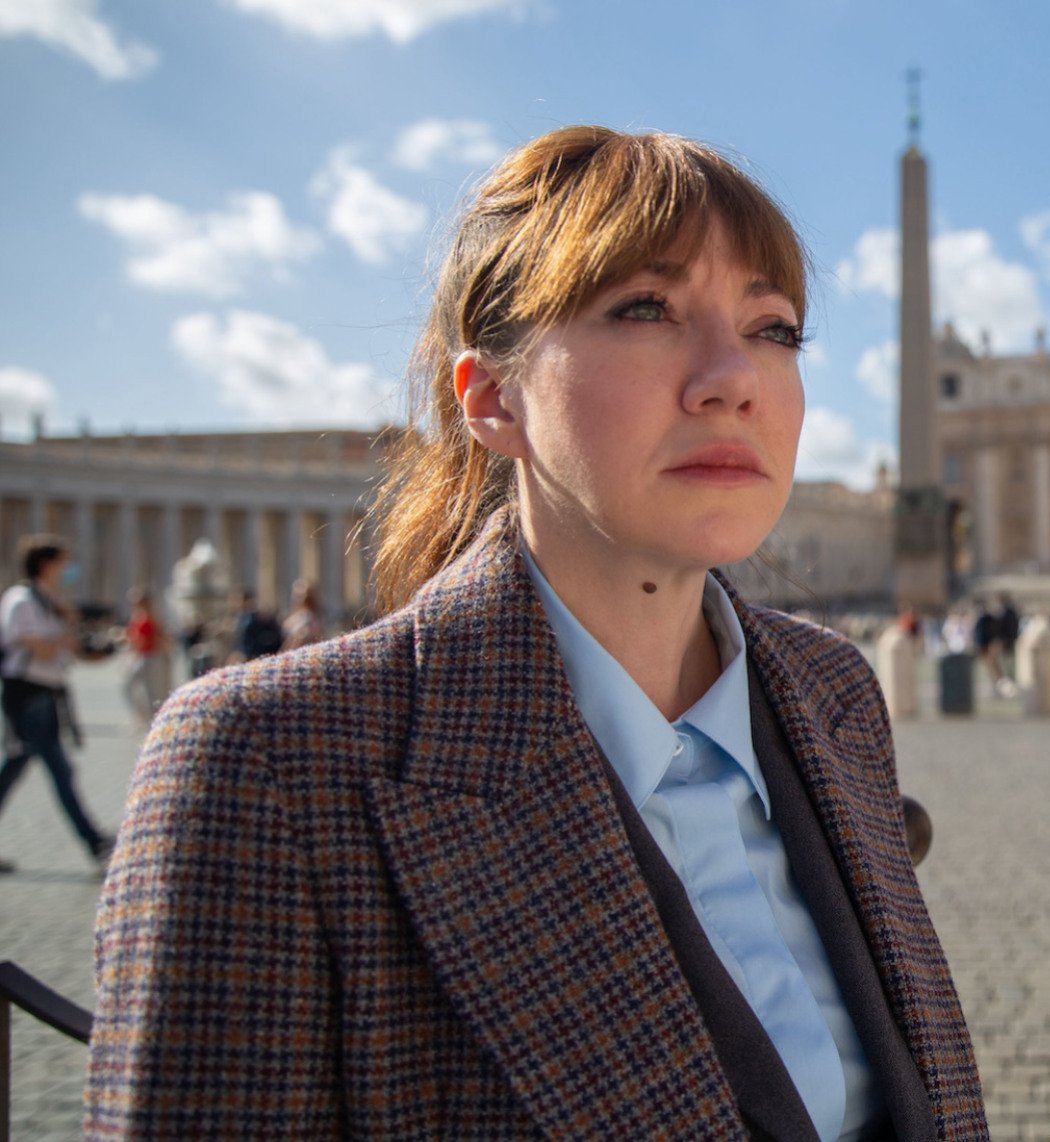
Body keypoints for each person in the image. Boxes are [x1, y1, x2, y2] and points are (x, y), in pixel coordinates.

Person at [88, 126, 986, 1140]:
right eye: (644, 308)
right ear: (491, 398)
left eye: (773, 327)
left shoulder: (831, 691)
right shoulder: (268, 763)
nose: (731, 375)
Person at [0, 534, 115, 874]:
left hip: (47, 694)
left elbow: (70, 651)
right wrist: (64, 636)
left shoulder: (52, 600)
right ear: (46, 564)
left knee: (15, 768)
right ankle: (95, 843)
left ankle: (95, 842)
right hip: (27, 694)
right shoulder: (21, 600)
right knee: (60, 770)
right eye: (63, 563)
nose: (69, 570)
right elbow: (38, 647)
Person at [121, 588, 170, 727]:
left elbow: (159, 638)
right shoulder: (137, 617)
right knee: (129, 687)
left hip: (151, 658)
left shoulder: (152, 619)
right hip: (140, 657)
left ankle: (153, 720)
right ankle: (145, 717)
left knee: (152, 692)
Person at [229, 587, 283, 662]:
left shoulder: (255, 617)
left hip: (254, 656)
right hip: (244, 655)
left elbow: (257, 638)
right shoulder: (241, 617)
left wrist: (249, 655)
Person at [279, 578, 326, 651]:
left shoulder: (310, 617)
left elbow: (299, 639)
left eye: (301, 594)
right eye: (296, 594)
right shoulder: (293, 615)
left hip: (300, 654)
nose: (297, 597)